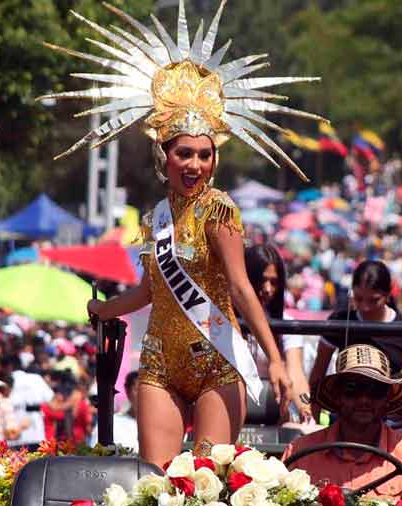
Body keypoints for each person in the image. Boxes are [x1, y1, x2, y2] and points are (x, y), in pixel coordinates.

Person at [52, 0, 326, 466]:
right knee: (156, 483)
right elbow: (149, 291)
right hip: (159, 361)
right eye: (185, 153)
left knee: (205, 484)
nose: (195, 164)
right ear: (165, 156)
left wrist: (275, 358)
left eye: (204, 154)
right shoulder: (154, 217)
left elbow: (241, 286)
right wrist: (102, 308)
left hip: (216, 360)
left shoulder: (219, 209)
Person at [284, 344, 402, 506]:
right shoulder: (300, 452)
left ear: (387, 398)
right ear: (337, 396)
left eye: (376, 390)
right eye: (352, 389)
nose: (364, 399)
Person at [310, 260, 402, 400]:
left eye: (373, 300)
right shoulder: (340, 321)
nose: (365, 307)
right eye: (358, 299)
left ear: (388, 295)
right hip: (347, 409)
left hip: (394, 412)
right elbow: (318, 372)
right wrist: (313, 414)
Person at [244, 244, 313, 422]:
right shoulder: (224, 323)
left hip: (275, 413)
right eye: (261, 280)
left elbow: (296, 374)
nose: (267, 289)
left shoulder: (287, 324)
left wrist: (307, 411)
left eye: (274, 282)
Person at [91, 371, 140, 452]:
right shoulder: (112, 423)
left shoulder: (161, 427)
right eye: (137, 390)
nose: (142, 395)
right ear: (128, 391)